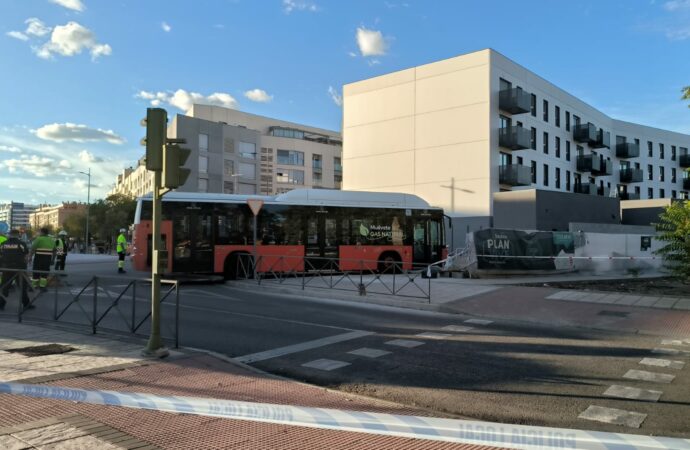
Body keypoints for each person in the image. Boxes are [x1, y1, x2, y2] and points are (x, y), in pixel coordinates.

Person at [0, 229, 32, 310]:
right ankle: (26, 304)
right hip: (19, 269)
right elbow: (26, 255)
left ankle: (1, 305)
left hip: (6, 268)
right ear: (18, 235)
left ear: (9, 235)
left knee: (4, 288)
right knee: (22, 287)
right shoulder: (21, 244)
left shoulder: (3, 244)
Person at [30, 227, 55, 291]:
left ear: (42, 232)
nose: (39, 233)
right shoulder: (52, 240)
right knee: (45, 272)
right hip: (48, 259)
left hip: (39, 258)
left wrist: (30, 257)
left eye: (40, 232)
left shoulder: (38, 239)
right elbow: (55, 250)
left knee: (36, 272)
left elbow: (33, 249)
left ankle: (34, 286)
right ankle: (42, 286)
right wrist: (53, 260)